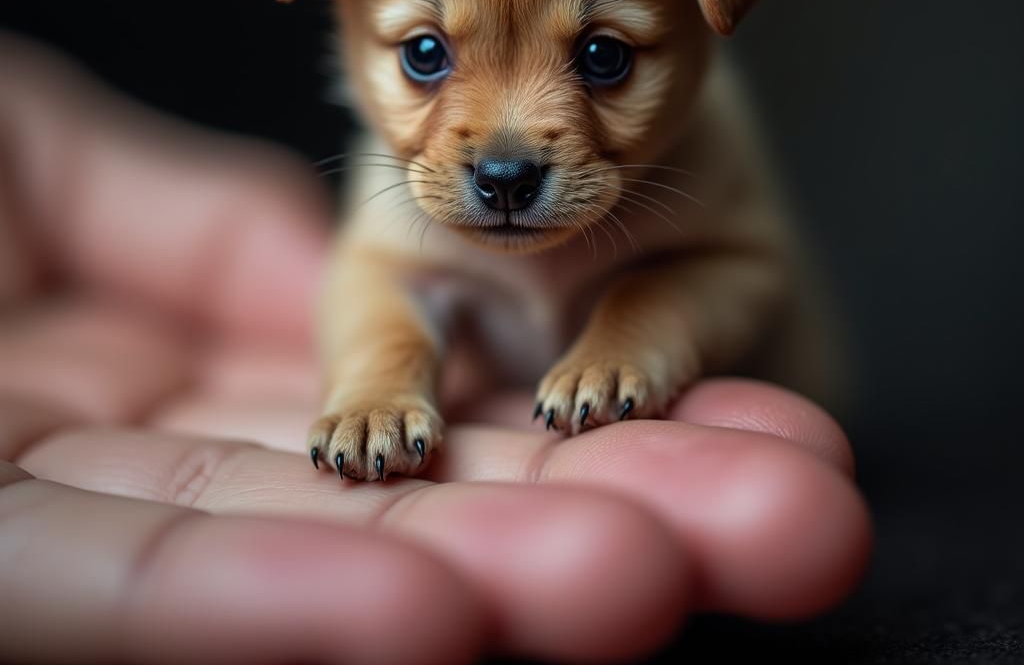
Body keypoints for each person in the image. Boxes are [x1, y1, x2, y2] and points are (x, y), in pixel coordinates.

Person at [0, 33, 871, 664]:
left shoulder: (705, 147)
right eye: (427, 55)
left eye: (601, 59)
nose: (506, 152)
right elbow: (376, 279)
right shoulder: (401, 187)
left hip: (753, 473)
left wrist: (642, 334)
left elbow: (739, 265)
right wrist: (379, 382)